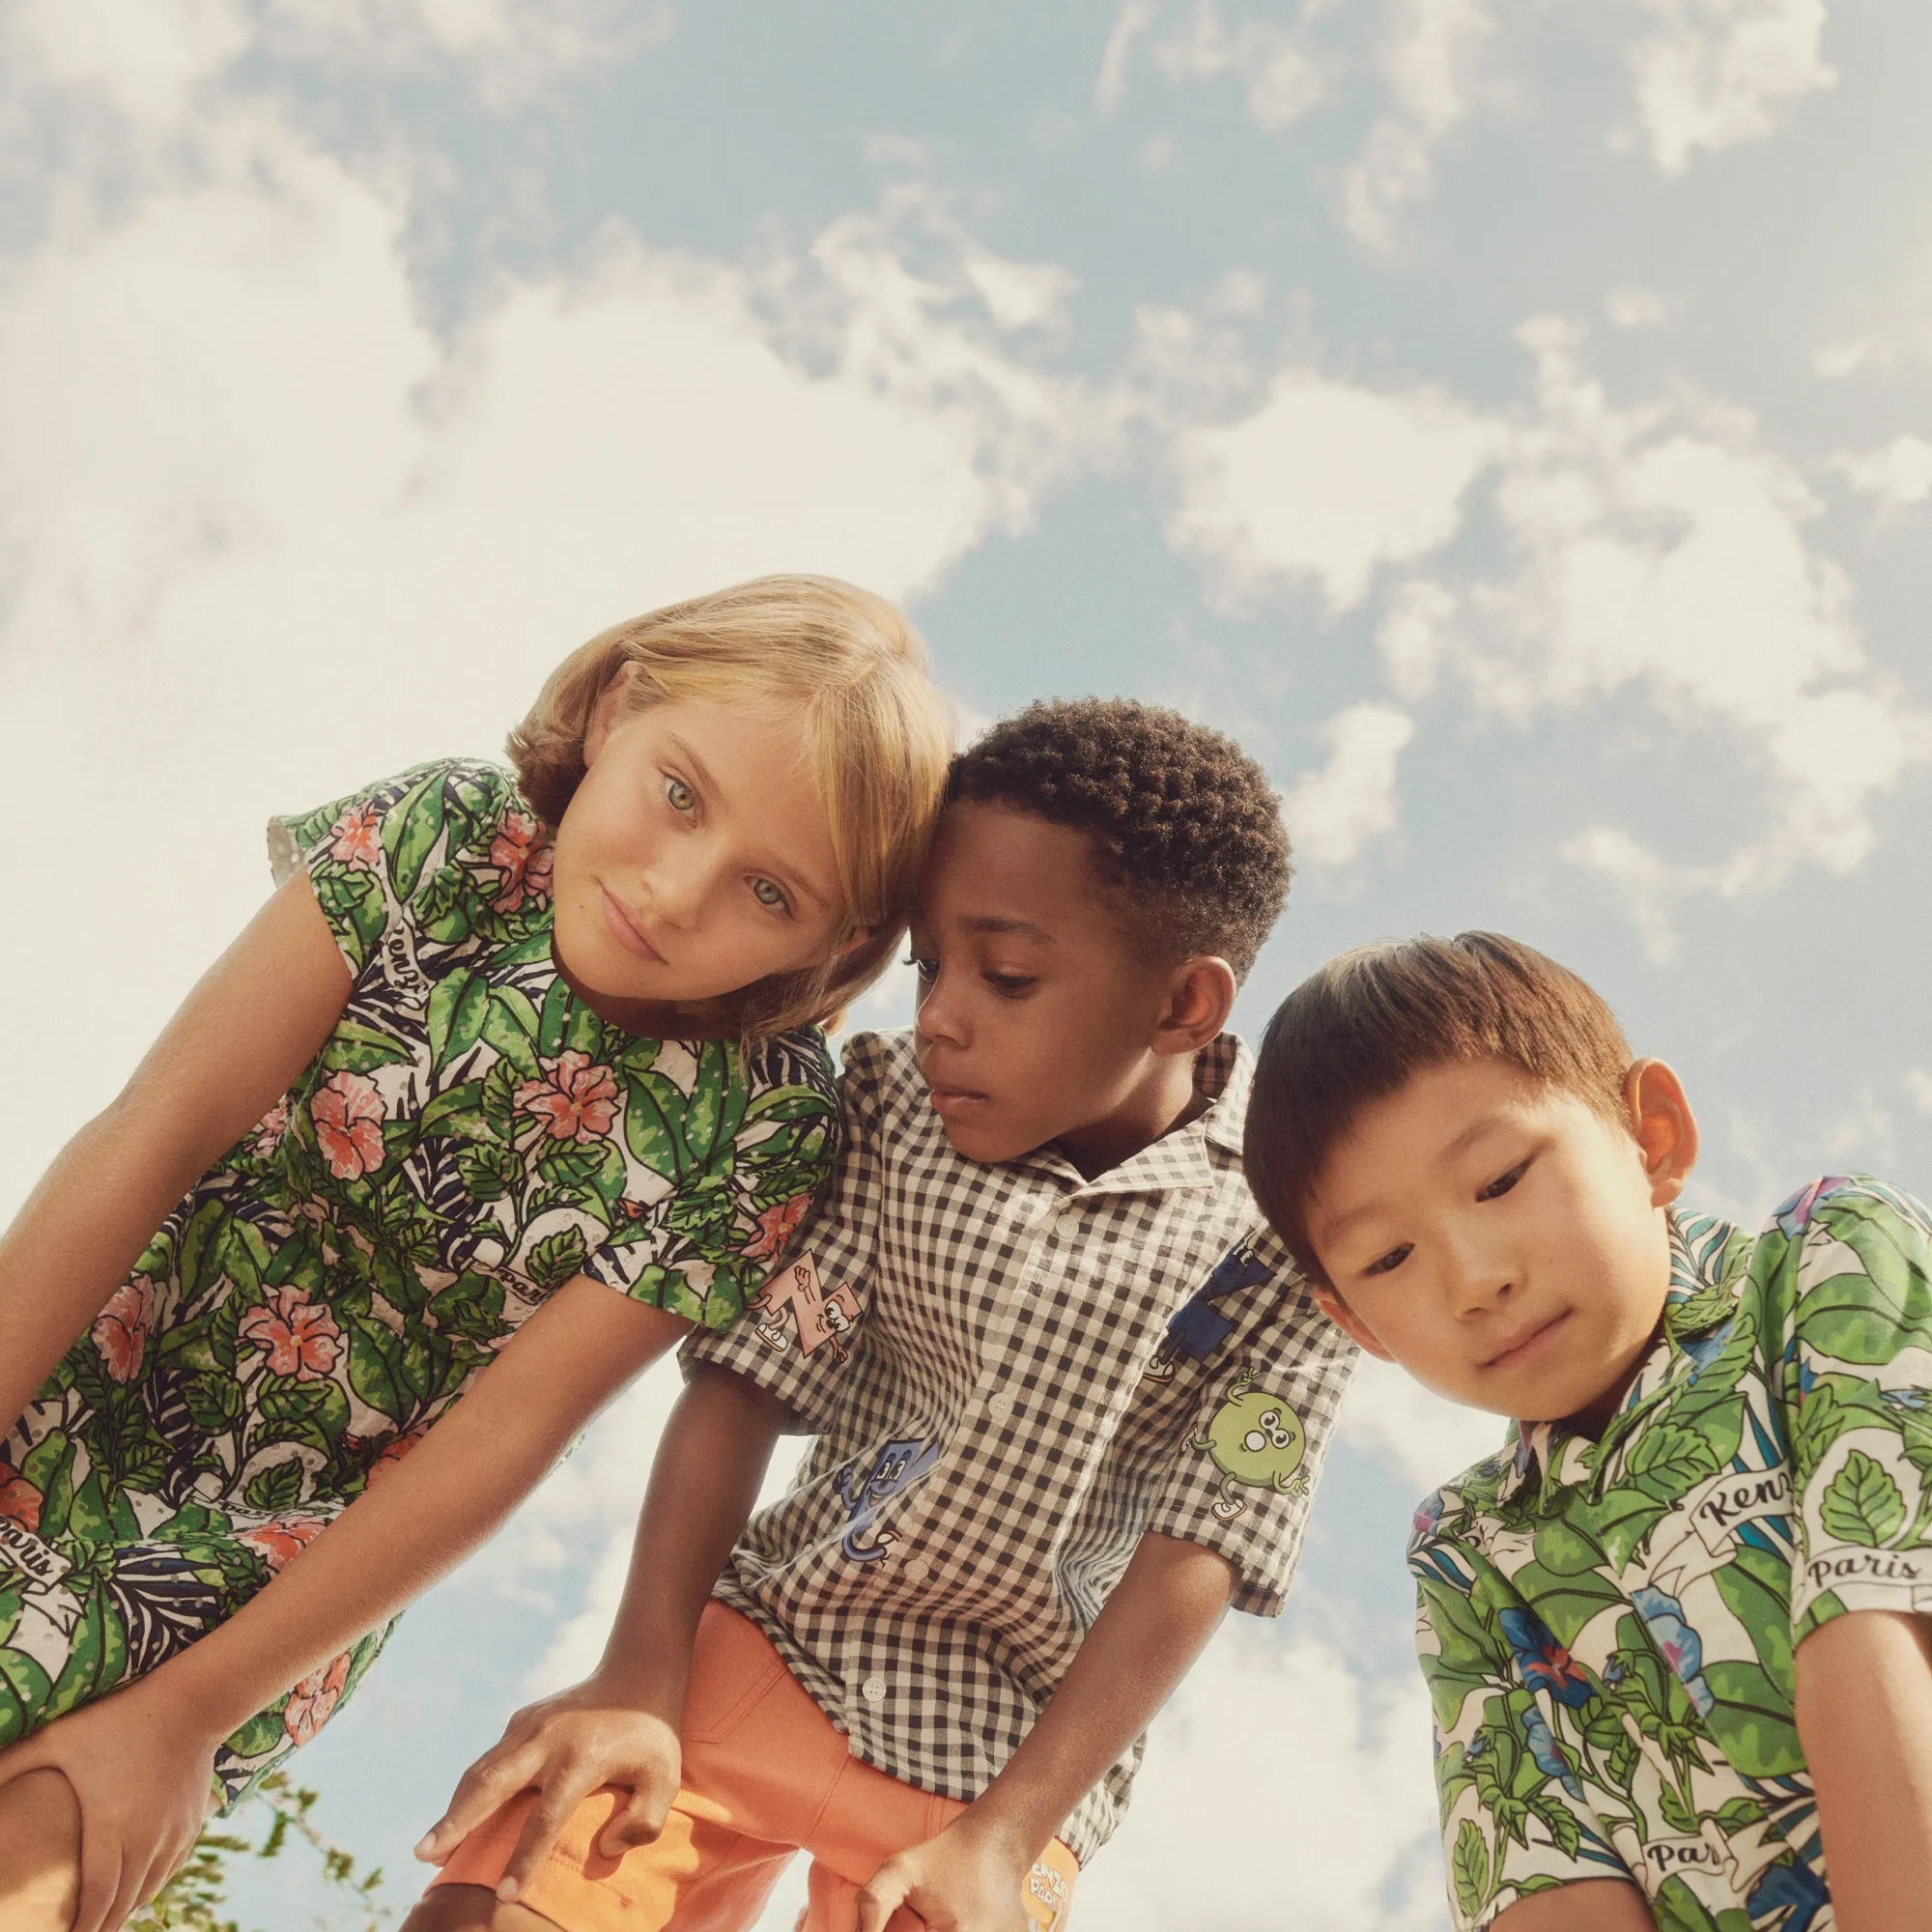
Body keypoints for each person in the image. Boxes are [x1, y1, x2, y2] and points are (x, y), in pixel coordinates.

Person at [0, 575, 953, 1932]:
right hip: (77, 1357)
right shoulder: (445, 839)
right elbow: (150, 1136)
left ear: (836, 942)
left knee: (42, 1840)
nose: (677, 893)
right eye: (680, 793)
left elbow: (504, 1439)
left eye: (767, 890)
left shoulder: (757, 1121)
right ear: (621, 704)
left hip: (272, 1564)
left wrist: (190, 1717)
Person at [406, 698, 1359, 1932]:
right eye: (929, 965)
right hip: (771, 1642)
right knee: (498, 1891)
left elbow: (1200, 1547)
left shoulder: (1294, 1224)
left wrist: (1007, 1837)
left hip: (1004, 1772)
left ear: (1183, 1003)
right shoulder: (894, 1109)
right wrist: (642, 1669)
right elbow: (745, 1379)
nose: (939, 1014)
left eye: (1005, 977)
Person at [1241, 930, 1932, 1932]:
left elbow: (1872, 1639)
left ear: (1650, 1134)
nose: (1474, 1278)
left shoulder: (1824, 1264)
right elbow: (1543, 1882)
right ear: (1354, 1322)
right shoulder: (1467, 1558)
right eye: (1388, 1257)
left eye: (1498, 1180)